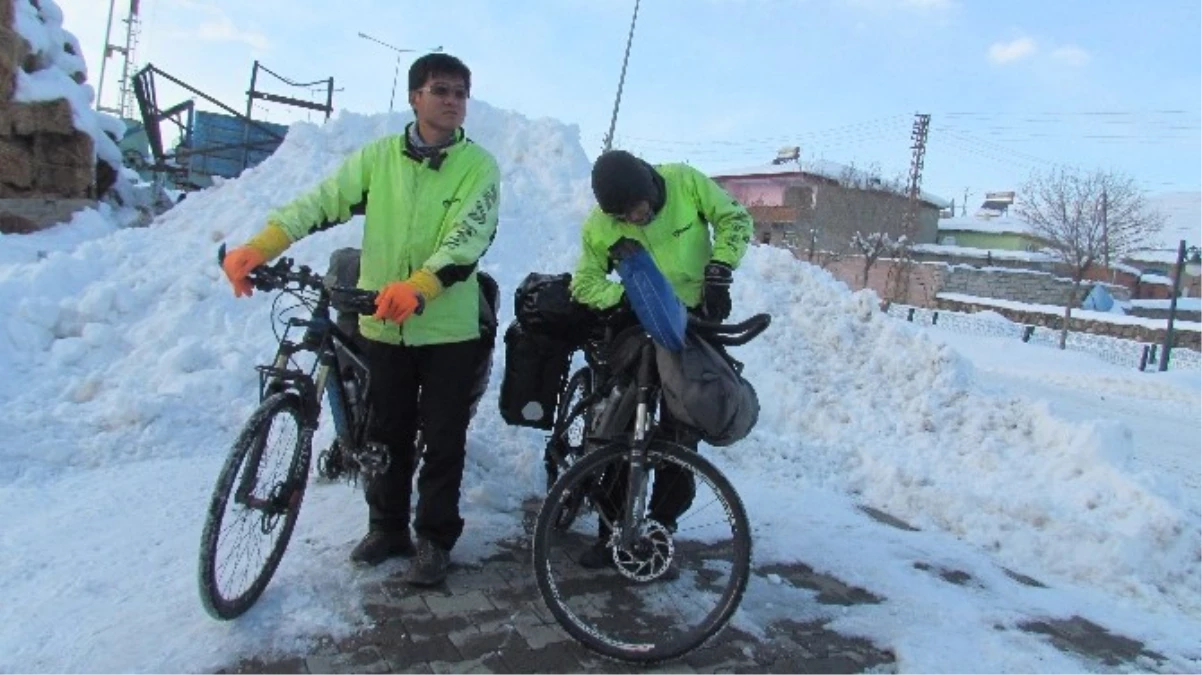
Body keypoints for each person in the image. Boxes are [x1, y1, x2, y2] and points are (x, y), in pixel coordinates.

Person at [220, 53, 500, 587]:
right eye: (441, 90)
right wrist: (263, 244)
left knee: (443, 440)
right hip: (383, 325)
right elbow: (324, 201)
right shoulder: (378, 159)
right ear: (415, 97)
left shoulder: (478, 166)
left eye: (461, 93)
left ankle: (436, 541)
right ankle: (387, 528)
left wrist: (422, 286)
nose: (452, 101)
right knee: (384, 434)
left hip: (447, 330)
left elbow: (469, 236)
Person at [569, 149, 752, 568]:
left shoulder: (686, 182)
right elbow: (585, 281)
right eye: (623, 216)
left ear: (651, 187)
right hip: (637, 324)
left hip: (693, 321)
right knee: (620, 425)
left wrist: (720, 268)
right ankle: (610, 531)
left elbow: (734, 218)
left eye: (639, 209)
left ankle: (659, 529)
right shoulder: (601, 226)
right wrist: (624, 297)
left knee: (680, 428)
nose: (634, 219)